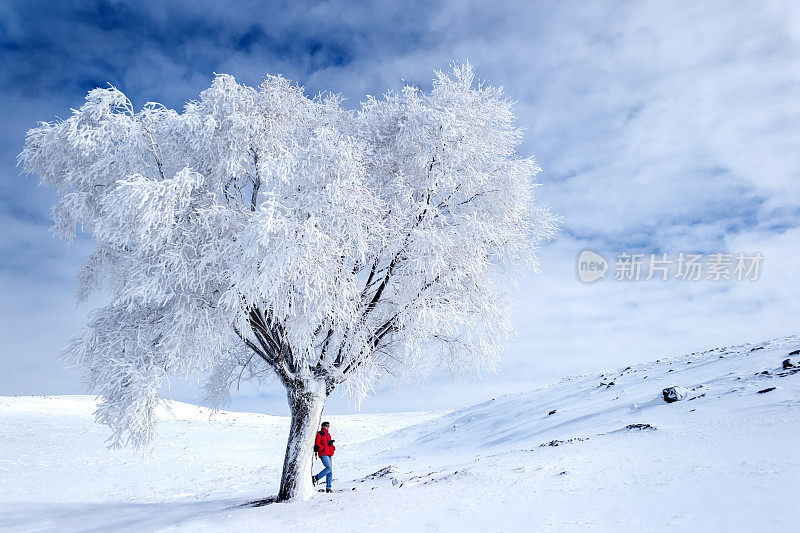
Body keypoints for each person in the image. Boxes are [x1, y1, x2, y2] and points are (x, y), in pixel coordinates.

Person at [312, 421, 335, 493]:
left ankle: (328, 488)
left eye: (329, 426)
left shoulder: (328, 434)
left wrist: (332, 446)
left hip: (329, 454)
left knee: (330, 471)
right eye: (327, 426)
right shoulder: (320, 434)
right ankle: (316, 478)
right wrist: (325, 447)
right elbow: (317, 444)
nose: (328, 427)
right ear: (323, 426)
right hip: (323, 453)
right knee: (328, 468)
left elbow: (328, 445)